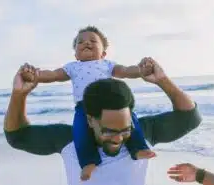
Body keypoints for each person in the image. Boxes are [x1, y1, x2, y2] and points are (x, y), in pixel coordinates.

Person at [4, 59, 202, 185]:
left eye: (125, 130)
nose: (118, 138)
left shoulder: (143, 132)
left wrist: (162, 80)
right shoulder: (69, 138)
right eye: (108, 131)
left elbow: (190, 117)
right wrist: (19, 95)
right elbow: (17, 136)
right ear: (90, 120)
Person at [21, 25, 155, 180]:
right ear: (76, 54)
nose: (87, 43)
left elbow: (125, 71)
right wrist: (34, 75)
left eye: (93, 41)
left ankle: (138, 149)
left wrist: (141, 70)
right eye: (81, 42)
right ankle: (88, 162)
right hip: (83, 106)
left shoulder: (107, 64)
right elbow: (53, 75)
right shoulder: (72, 67)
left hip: (109, 104)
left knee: (131, 121)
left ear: (103, 53)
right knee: (80, 132)